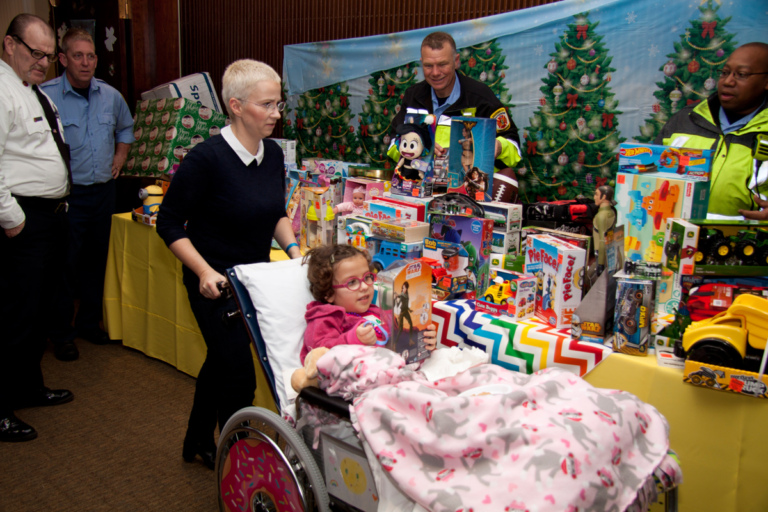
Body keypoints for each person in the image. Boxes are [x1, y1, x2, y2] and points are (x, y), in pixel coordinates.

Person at [156, 59, 301, 469]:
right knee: (239, 374)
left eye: (279, 103)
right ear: (236, 106)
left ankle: (196, 440)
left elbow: (275, 212)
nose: (277, 113)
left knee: (222, 361)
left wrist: (294, 253)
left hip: (255, 280)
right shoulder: (206, 159)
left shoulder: (272, 154)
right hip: (213, 283)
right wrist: (203, 271)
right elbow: (168, 223)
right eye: (267, 104)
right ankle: (238, 467)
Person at [0, 13, 74, 442]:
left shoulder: (30, 90)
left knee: (39, 311)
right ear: (10, 44)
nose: (44, 62)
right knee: (15, 315)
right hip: (23, 220)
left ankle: (27, 387)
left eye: (48, 55)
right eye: (35, 52)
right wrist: (13, 220)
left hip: (49, 217)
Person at [41, 28, 135, 361]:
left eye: (91, 55)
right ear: (63, 59)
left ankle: (88, 324)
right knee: (65, 264)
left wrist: (121, 154)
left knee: (97, 260)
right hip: (67, 195)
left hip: (103, 192)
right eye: (78, 56)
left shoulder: (110, 95)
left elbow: (126, 127)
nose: (86, 62)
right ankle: (61, 334)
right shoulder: (45, 95)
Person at [655, 42, 768, 220]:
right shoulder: (686, 119)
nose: (728, 81)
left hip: (749, 242)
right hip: (678, 238)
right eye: (725, 73)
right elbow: (651, 173)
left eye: (741, 75)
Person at [389, 31, 522, 173]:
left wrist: (499, 147)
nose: (435, 72)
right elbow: (392, 144)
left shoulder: (481, 97)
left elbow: (515, 148)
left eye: (442, 64)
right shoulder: (413, 96)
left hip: (468, 190)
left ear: (456, 61)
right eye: (428, 66)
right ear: (422, 63)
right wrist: (421, 150)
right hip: (421, 188)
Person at [301, 245, 437, 364]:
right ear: (328, 294)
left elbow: (398, 334)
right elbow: (319, 353)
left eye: (367, 277)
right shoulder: (325, 318)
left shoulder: (377, 312)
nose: (365, 286)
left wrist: (421, 337)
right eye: (352, 282)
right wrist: (352, 339)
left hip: (395, 370)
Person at [592, 185, 617, 276]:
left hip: (601, 252)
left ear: (604, 197)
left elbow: (602, 240)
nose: (594, 197)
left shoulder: (602, 216)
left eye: (596, 194)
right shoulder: (612, 211)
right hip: (610, 250)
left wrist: (600, 265)